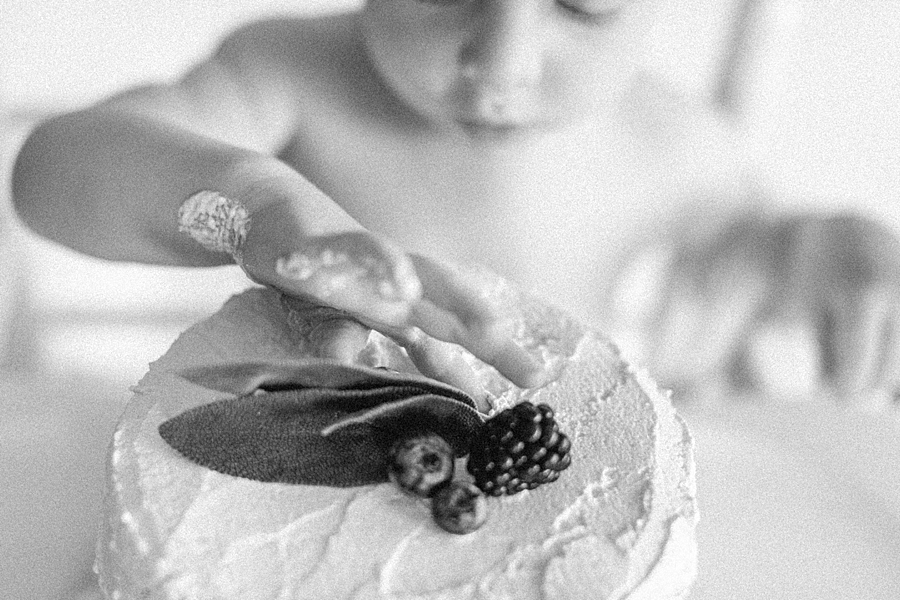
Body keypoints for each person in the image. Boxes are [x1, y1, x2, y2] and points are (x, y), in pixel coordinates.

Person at [11, 0, 900, 403]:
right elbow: (56, 172)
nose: (502, 67)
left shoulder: (681, 146)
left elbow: (769, 256)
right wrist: (255, 211)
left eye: (585, 8)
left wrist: (846, 251)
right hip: (290, 499)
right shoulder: (286, 75)